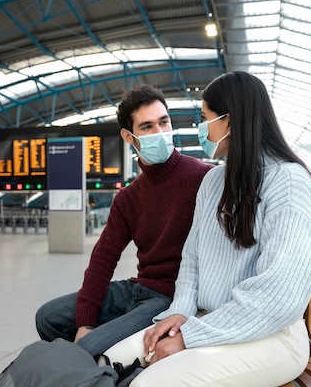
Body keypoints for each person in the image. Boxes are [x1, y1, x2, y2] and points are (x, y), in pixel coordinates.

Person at [59, 70, 311, 387]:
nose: (199, 129)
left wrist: (193, 337)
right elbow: (192, 266)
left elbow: (280, 294)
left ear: (232, 119)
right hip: (211, 326)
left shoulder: (289, 182)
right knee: (124, 383)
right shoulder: (213, 183)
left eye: (205, 119)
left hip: (273, 337)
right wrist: (176, 315)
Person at [36, 85, 212, 356]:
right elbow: (103, 259)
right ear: (129, 136)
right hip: (138, 288)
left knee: (89, 348)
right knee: (48, 317)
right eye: (147, 127)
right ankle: (97, 372)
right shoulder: (128, 197)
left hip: (170, 297)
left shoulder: (204, 178)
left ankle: (100, 370)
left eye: (163, 122)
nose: (160, 133)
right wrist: (85, 321)